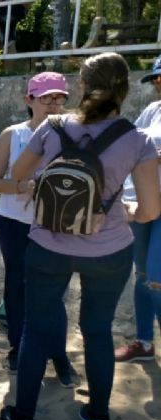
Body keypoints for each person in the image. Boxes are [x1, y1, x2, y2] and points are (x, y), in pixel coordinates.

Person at [1, 52, 161, 420]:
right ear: (123, 88)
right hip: (108, 251)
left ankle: (24, 418)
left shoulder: (53, 127)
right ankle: (98, 417)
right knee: (97, 329)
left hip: (48, 245)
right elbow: (151, 209)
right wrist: (124, 211)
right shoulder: (136, 139)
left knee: (36, 330)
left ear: (83, 85)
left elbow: (19, 174)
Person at [0, 72, 77, 384]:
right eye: (46, 98)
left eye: (59, 98)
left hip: (56, 224)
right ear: (30, 100)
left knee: (54, 290)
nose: (53, 104)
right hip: (14, 223)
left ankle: (59, 355)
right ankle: (17, 346)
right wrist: (25, 186)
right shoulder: (13, 135)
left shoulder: (73, 134)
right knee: (17, 284)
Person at [114, 55, 161, 362]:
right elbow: (133, 145)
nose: (158, 84)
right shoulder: (153, 110)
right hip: (141, 201)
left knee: (156, 276)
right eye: (156, 79)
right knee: (142, 273)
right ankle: (144, 342)